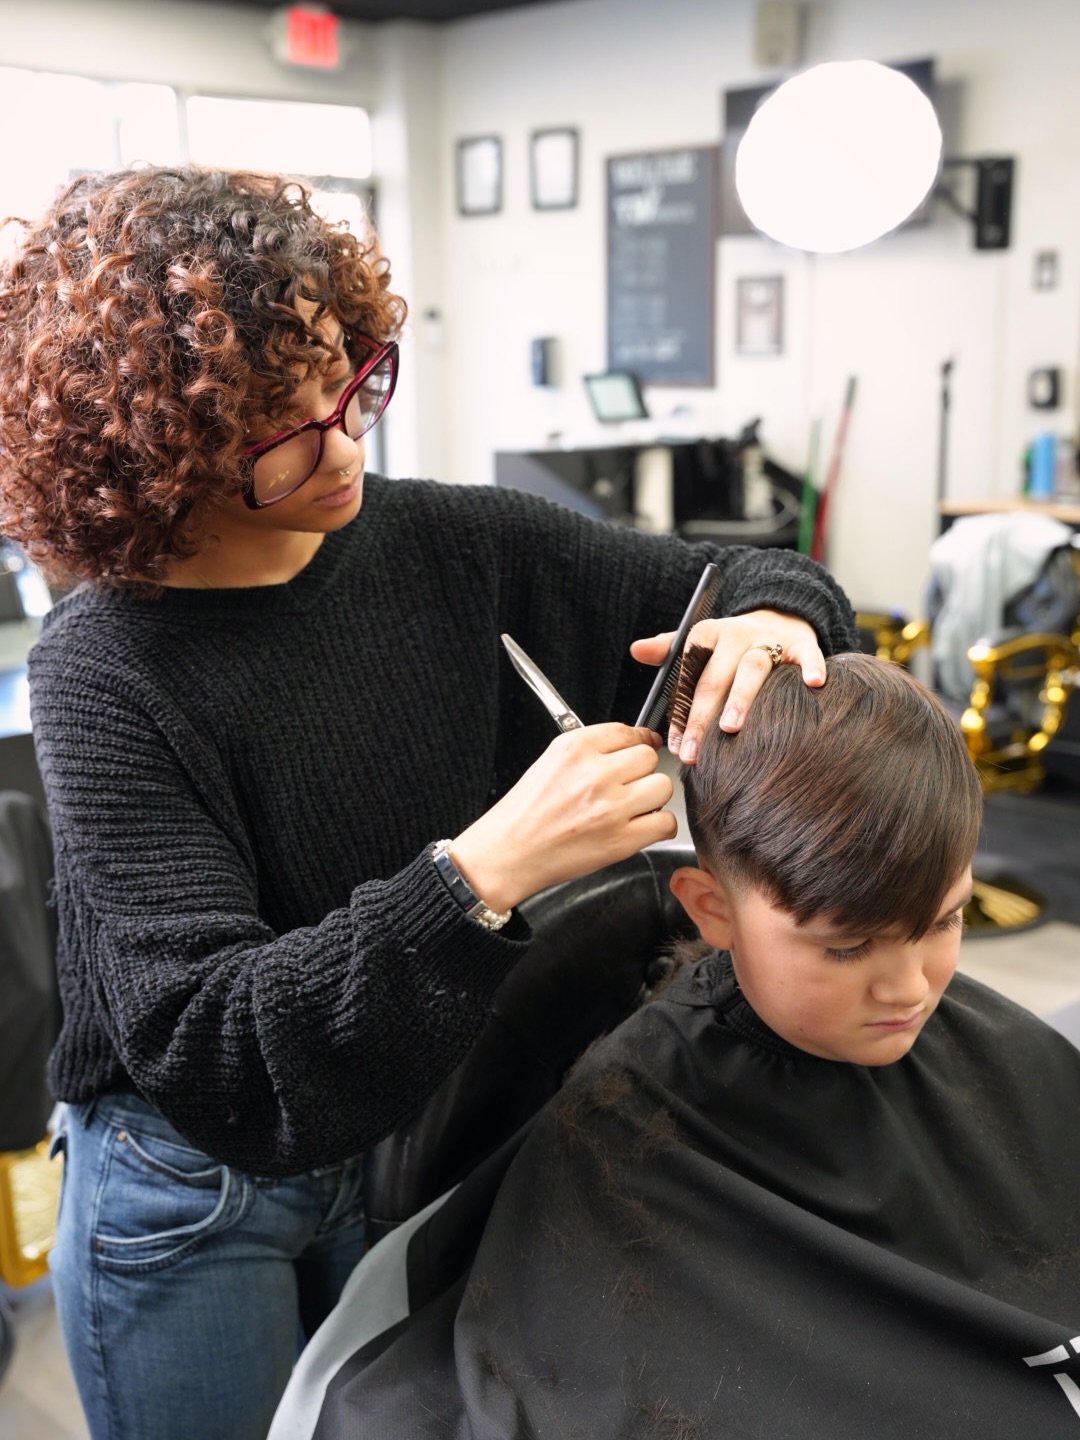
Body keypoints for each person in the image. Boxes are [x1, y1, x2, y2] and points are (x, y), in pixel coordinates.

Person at [0, 164, 856, 1440]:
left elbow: (748, 579)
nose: (346, 445)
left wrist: (775, 619)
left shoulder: (456, 546)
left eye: (348, 386)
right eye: (279, 432)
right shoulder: (102, 671)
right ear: (154, 454)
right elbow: (212, 1044)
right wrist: (485, 870)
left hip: (417, 1126)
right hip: (193, 1186)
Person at [273, 653, 1080, 1440]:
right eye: (846, 947)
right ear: (710, 908)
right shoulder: (631, 1122)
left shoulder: (1006, 1054)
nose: (908, 989)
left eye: (944, 920)